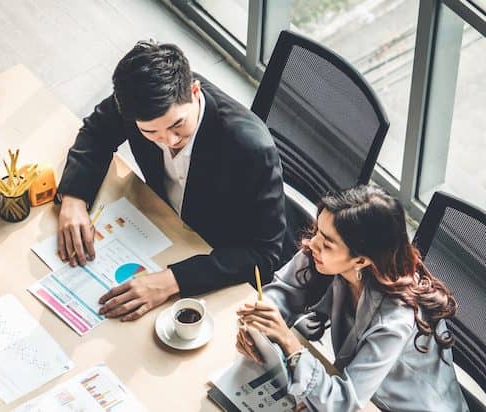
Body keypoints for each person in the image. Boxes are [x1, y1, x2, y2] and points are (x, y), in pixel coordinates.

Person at [57, 40, 285, 321]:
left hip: (209, 254)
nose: (169, 141)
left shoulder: (250, 147)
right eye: (151, 132)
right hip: (160, 229)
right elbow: (97, 131)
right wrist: (74, 198)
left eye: (177, 125)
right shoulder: (139, 101)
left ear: (194, 91)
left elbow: (264, 255)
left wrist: (171, 281)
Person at [235, 185, 467, 411]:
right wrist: (259, 327)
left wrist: (289, 343)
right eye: (318, 231)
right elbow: (282, 293)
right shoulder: (324, 258)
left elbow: (344, 401)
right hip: (363, 394)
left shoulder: (395, 319)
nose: (311, 243)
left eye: (326, 242)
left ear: (361, 260)